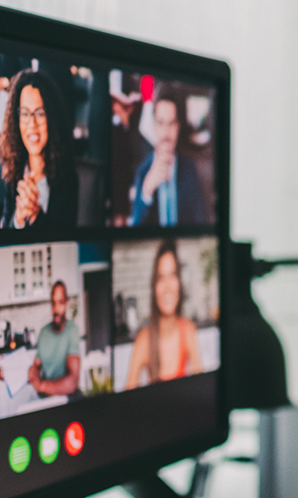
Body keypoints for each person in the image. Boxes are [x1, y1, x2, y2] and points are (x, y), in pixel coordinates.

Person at [0, 69, 78, 230]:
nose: (32, 125)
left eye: (40, 114)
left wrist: (36, 215)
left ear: (51, 118)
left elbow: (65, 242)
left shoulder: (68, 177)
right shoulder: (12, 173)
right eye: (25, 114)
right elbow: (3, 232)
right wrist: (19, 218)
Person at [124, 240, 204, 388]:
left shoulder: (188, 331)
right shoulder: (143, 341)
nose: (167, 287)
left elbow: (203, 391)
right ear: (154, 287)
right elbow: (125, 403)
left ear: (179, 282)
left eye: (172, 275)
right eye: (161, 278)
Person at [125, 92, 211, 226]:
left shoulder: (190, 168)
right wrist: (147, 192)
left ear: (177, 127)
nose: (166, 133)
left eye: (171, 124)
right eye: (160, 123)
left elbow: (202, 222)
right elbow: (134, 230)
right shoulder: (142, 172)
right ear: (153, 125)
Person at [28, 280, 81, 397]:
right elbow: (36, 365)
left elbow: (72, 383)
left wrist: (42, 386)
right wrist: (33, 372)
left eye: (60, 302)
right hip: (46, 397)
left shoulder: (72, 330)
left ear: (66, 302)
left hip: (67, 397)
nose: (56, 309)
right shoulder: (43, 332)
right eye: (53, 303)